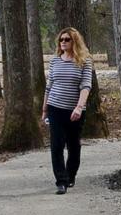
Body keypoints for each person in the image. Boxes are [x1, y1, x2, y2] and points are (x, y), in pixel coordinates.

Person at [40, 27, 93, 194]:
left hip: (75, 111)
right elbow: (49, 86)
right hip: (55, 107)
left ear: (74, 41)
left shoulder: (84, 61)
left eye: (66, 39)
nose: (63, 42)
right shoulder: (55, 60)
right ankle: (60, 181)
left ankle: (70, 175)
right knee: (56, 145)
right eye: (61, 40)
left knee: (73, 145)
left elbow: (86, 86)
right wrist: (45, 108)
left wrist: (79, 107)